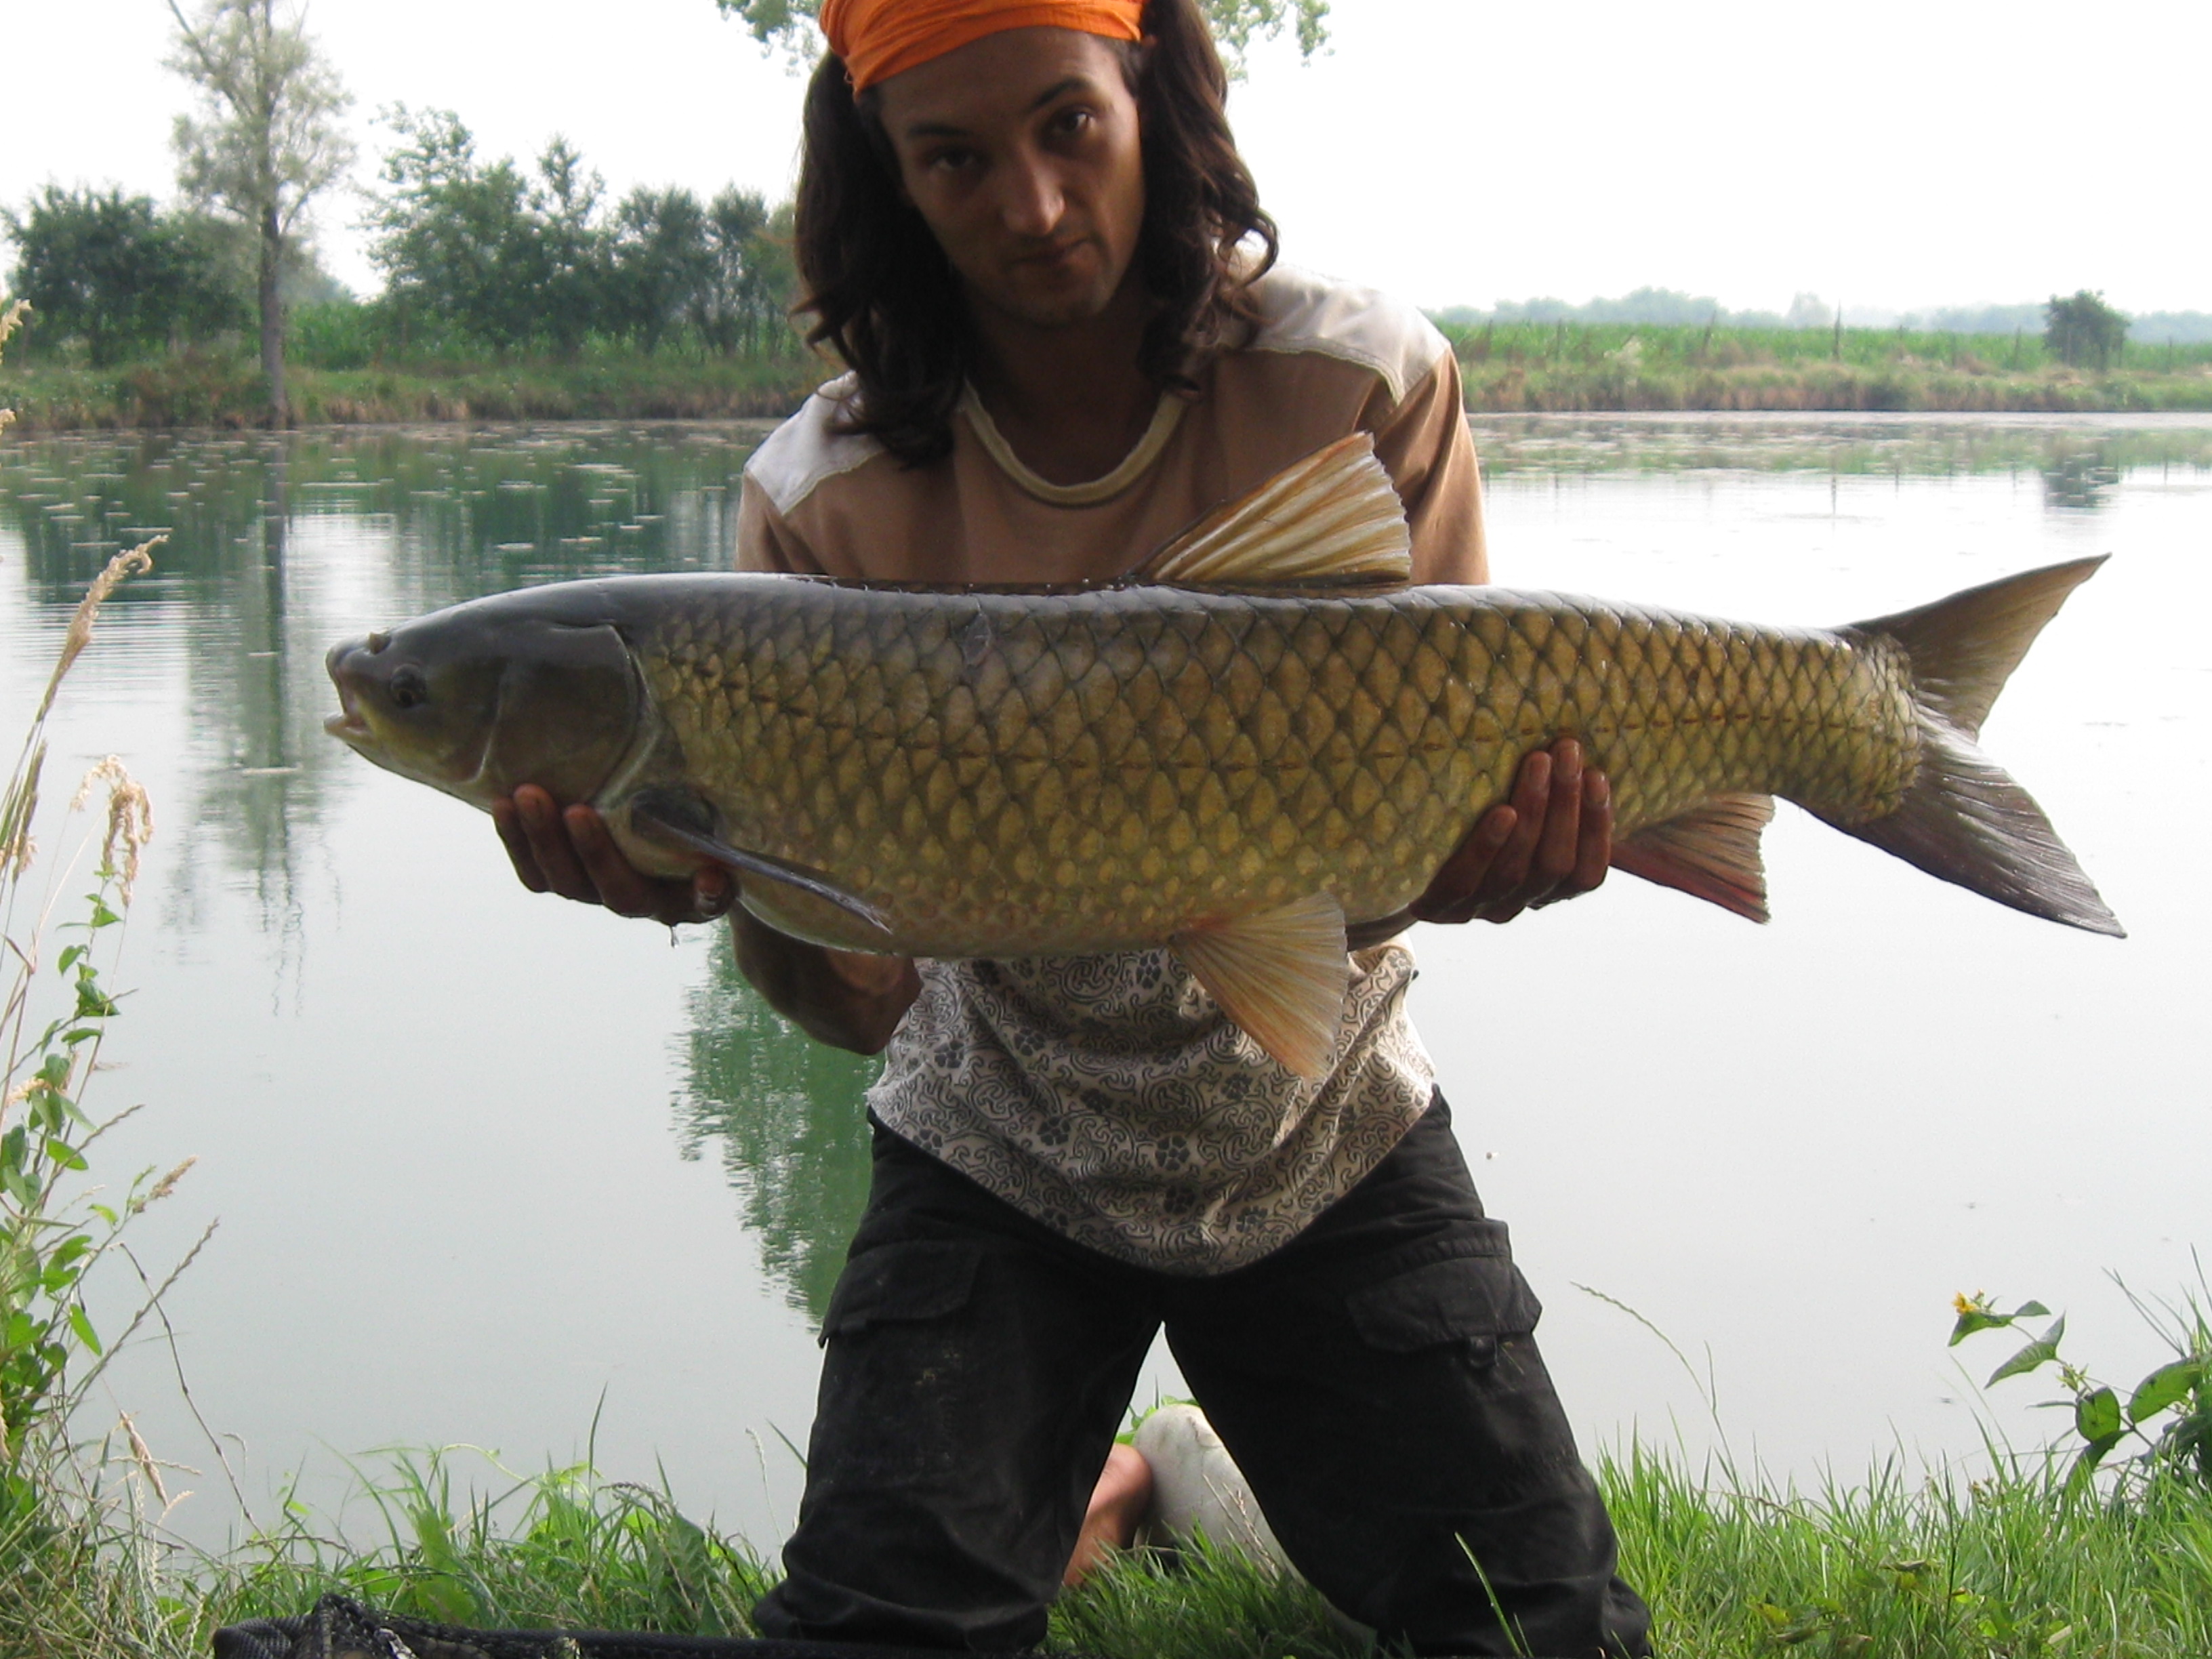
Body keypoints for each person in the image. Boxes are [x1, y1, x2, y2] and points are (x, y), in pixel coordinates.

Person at [496, 1, 1652, 1654]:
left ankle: (1165, 1479)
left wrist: (1483, 863)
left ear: (1149, 95)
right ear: (890, 176)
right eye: (956, 160)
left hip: (1314, 1122)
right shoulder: (821, 497)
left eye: (1068, 128)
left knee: (1547, 1639)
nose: (1031, 207)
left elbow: (1403, 861)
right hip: (1005, 1132)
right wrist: (725, 884)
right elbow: (862, 1004)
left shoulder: (1359, 382)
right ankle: (1118, 1488)